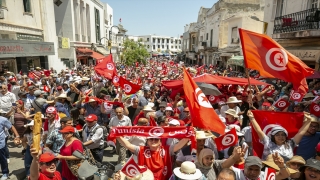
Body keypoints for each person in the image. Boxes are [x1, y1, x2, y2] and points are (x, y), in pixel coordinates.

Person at [248, 110, 312, 161]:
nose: (280, 137)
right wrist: (252, 118)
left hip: (285, 172)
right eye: (277, 135)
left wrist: (309, 121)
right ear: (273, 136)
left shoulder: (290, 143)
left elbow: (301, 132)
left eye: (283, 135)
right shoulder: (267, 141)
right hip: (268, 171)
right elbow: (258, 130)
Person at [117, 135, 189, 180]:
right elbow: (128, 145)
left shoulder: (167, 149)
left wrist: (188, 136)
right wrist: (117, 136)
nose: (153, 141)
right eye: (151, 139)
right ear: (147, 141)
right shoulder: (140, 150)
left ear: (160, 141)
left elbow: (179, 145)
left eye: (156, 139)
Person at [0, 116, 21, 180]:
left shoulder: (2, 119)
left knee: (2, 158)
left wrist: (17, 136)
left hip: (0, 143)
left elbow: (11, 126)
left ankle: (5, 173)